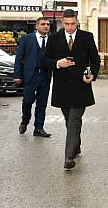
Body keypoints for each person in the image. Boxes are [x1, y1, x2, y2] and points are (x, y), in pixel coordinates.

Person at [41, 9, 101, 170]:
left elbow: (95, 59)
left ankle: (68, 157)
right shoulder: (53, 39)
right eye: (66, 24)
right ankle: (76, 146)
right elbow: (44, 60)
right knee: (69, 120)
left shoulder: (87, 37)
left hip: (81, 87)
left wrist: (92, 75)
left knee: (74, 120)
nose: (69, 27)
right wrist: (58, 63)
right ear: (62, 23)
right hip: (62, 88)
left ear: (77, 21)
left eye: (72, 24)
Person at [13, 17, 52, 138]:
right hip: (30, 76)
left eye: (48, 24)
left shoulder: (52, 40)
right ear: (36, 26)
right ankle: (25, 121)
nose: (46, 26)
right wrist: (17, 75)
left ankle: (39, 128)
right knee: (28, 101)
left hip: (45, 76)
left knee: (42, 103)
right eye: (43, 24)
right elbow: (19, 58)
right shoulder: (27, 39)